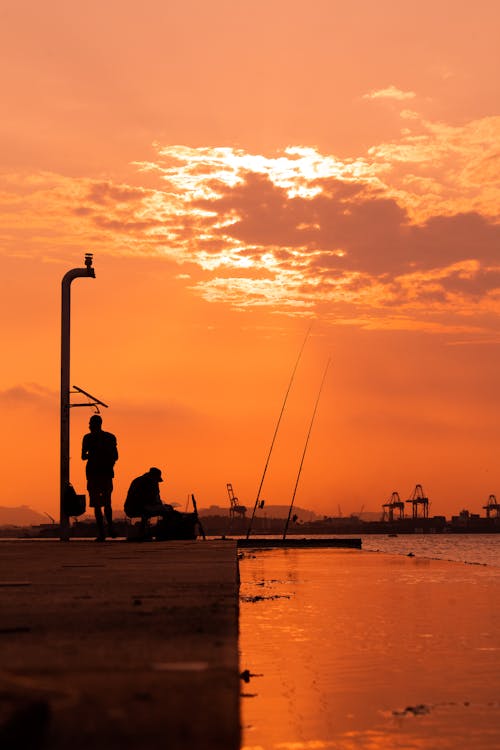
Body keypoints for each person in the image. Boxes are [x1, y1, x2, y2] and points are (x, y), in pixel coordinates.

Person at [81, 414, 118, 542]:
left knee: (97, 505)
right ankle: (111, 528)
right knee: (107, 502)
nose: (89, 426)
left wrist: (92, 455)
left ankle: (102, 533)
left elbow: (83, 456)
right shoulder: (110, 437)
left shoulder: (87, 438)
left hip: (93, 474)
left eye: (90, 424)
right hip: (106, 473)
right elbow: (116, 456)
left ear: (92, 425)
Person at [124, 467, 175, 534]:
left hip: (132, 508)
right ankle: (164, 532)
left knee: (164, 509)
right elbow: (149, 501)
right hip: (136, 508)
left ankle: (144, 530)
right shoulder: (147, 483)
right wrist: (162, 507)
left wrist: (161, 505)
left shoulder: (141, 480)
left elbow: (155, 499)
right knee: (166, 511)